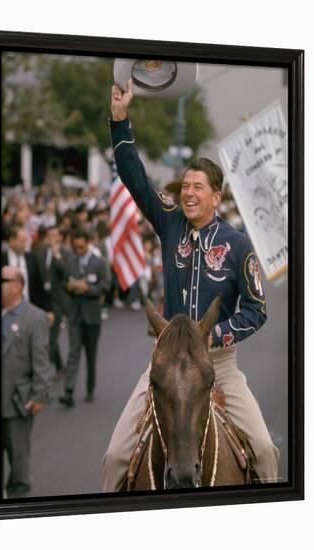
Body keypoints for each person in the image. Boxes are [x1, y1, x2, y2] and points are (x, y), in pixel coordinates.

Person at [102, 79, 279, 491]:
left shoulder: (238, 246)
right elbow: (135, 177)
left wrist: (215, 335)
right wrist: (120, 118)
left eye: (198, 186)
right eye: (185, 186)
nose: (188, 192)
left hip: (219, 365)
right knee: (113, 458)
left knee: (267, 451)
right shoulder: (169, 221)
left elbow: (258, 309)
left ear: (216, 196)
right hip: (165, 364)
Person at [1, 266, 51, 498]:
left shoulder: (34, 317)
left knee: (18, 461)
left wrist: (39, 395)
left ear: (17, 286)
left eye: (2, 279)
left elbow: (41, 360)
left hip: (16, 401)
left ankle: (16, 502)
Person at [59, 228, 110, 407]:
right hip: (75, 315)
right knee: (73, 353)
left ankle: (90, 388)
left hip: (92, 316)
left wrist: (87, 288)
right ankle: (69, 391)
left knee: (91, 354)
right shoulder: (70, 260)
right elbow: (64, 281)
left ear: (87, 243)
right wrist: (70, 286)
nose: (78, 250)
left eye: (81, 247)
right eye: (76, 247)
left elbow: (105, 287)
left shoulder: (99, 263)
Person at [29, 225, 73, 378]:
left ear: (60, 237)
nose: (52, 238)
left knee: (51, 338)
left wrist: (57, 256)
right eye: (50, 235)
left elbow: (68, 275)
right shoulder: (40, 252)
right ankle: (60, 367)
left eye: (55, 235)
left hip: (59, 303)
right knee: (47, 335)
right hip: (44, 301)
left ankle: (42, 374)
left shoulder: (65, 253)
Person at [1, 226, 34, 301]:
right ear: (12, 241)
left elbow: (37, 285)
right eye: (22, 241)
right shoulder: (2, 259)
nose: (24, 244)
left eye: (25, 241)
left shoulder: (31, 258)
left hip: (28, 305)